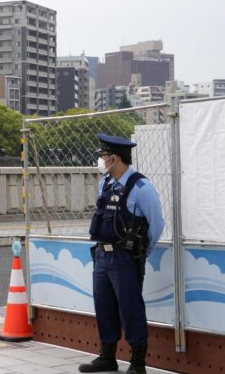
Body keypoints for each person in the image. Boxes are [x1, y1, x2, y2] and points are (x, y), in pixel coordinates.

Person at [80, 133, 164, 374]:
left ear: (115, 159)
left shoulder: (141, 187)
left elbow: (156, 224)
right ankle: (107, 356)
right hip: (102, 257)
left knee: (130, 308)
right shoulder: (104, 184)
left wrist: (141, 253)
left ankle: (138, 363)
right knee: (103, 306)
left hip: (125, 258)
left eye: (103, 156)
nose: (101, 160)